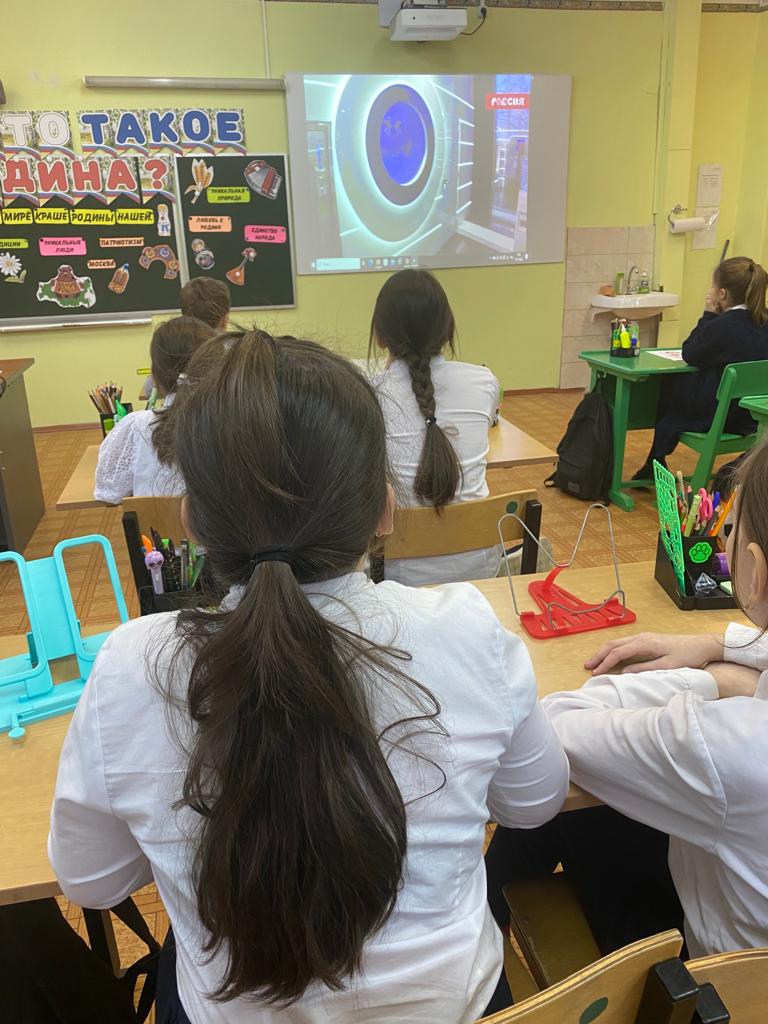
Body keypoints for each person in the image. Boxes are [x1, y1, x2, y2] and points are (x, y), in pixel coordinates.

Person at [50, 330, 569, 1024]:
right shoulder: (468, 629)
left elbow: (91, 879)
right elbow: (533, 804)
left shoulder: (130, 665)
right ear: (384, 508)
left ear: (192, 521)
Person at [539, 438, 768, 957]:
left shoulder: (728, 743)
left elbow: (557, 721)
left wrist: (713, 681)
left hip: (718, 983)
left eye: (730, 528)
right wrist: (718, 644)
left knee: (564, 805)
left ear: (754, 570)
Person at [370, 270, 501, 586]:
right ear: (447, 330)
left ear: (380, 336)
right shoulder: (484, 382)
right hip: (480, 567)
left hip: (399, 575)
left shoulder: (370, 393)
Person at [634, 256, 768, 478]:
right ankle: (653, 460)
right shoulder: (762, 322)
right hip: (754, 417)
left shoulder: (722, 326)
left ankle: (656, 458)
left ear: (722, 294)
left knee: (671, 385)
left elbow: (690, 352)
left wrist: (709, 314)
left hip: (721, 417)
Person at [94, 316, 213, 504]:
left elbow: (107, 493)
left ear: (155, 376)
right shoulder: (238, 424)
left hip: (152, 524)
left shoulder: (137, 427)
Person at [139, 277, 230, 400]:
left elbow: (149, 390)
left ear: (184, 319)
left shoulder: (173, 347)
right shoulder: (239, 350)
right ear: (225, 320)